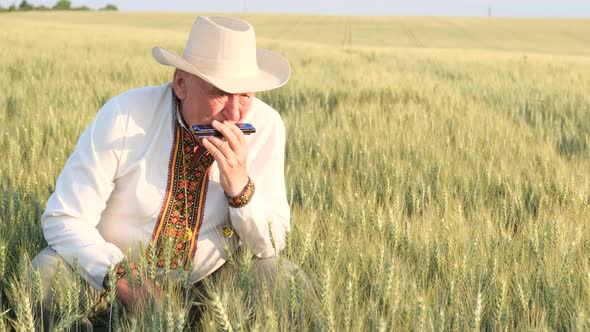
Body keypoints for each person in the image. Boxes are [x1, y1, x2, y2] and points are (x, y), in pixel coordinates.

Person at [32, 15, 293, 326]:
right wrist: (125, 279)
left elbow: (271, 245)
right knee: (44, 279)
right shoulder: (124, 115)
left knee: (286, 282)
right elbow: (64, 218)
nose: (235, 113)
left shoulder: (266, 127)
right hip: (109, 277)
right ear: (181, 83)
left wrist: (240, 189)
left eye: (246, 95)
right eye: (220, 92)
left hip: (212, 286)